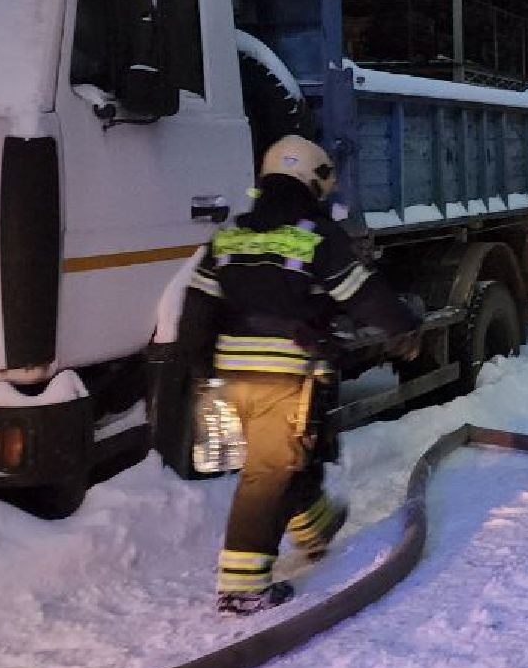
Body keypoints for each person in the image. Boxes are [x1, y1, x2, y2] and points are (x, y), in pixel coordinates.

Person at [176, 135, 419, 616]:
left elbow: (195, 313)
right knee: (268, 473)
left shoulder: (230, 236)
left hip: (232, 375)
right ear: (315, 179)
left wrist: (200, 372)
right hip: (283, 377)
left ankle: (314, 527)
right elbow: (363, 295)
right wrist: (404, 328)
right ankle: (242, 587)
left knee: (292, 459)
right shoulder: (316, 235)